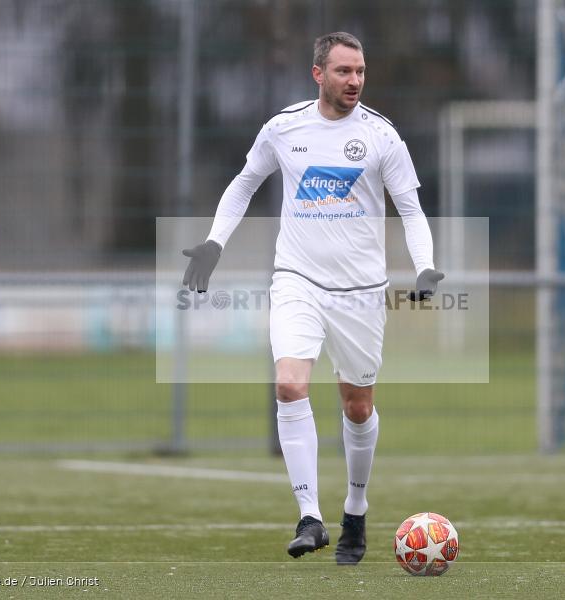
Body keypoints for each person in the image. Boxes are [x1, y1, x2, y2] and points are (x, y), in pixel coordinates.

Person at [182, 31, 443, 564]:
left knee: (358, 405)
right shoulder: (284, 128)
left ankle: (356, 509)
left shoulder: (381, 136)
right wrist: (214, 242)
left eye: (361, 72)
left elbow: (411, 210)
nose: (355, 81)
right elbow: (243, 183)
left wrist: (426, 268)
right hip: (296, 280)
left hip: (362, 294)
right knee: (288, 383)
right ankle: (310, 517)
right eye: (345, 71)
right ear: (318, 74)